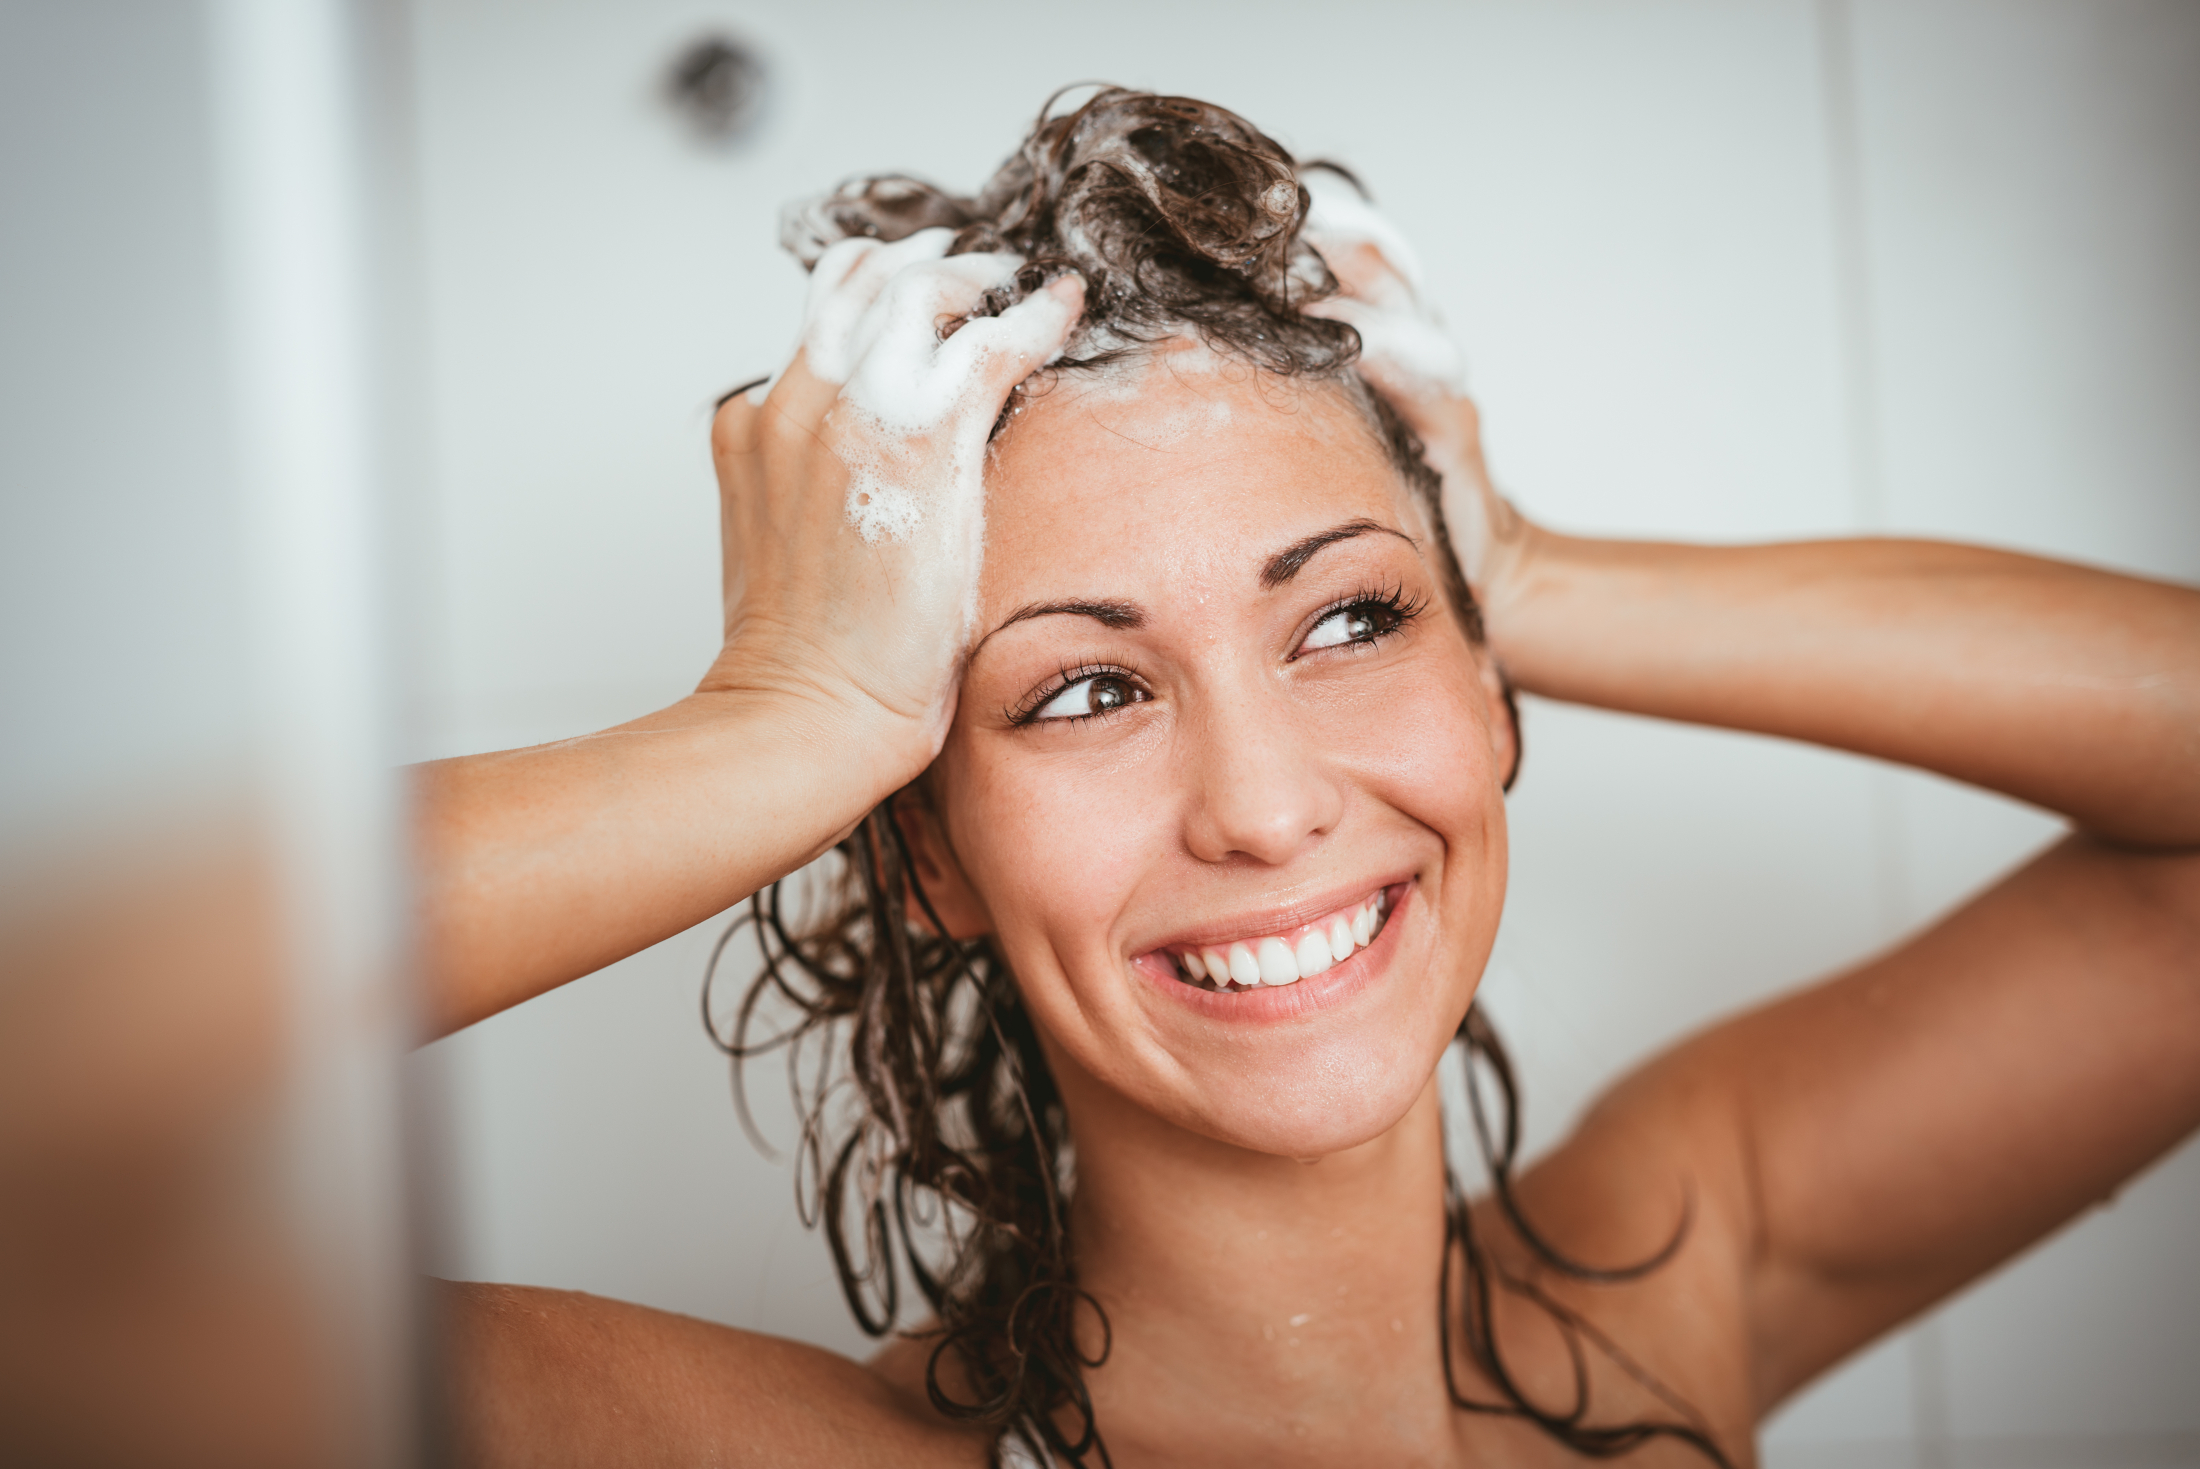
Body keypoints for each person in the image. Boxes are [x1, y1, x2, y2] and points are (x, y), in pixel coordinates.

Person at [415, 89, 2200, 1467]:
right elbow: (117, 1136)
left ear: (1486, 686)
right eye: (1086, 687)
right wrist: (790, 714)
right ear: (925, 857)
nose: (1264, 807)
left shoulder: (1682, 1275)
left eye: (1350, 619)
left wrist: (1533, 568)